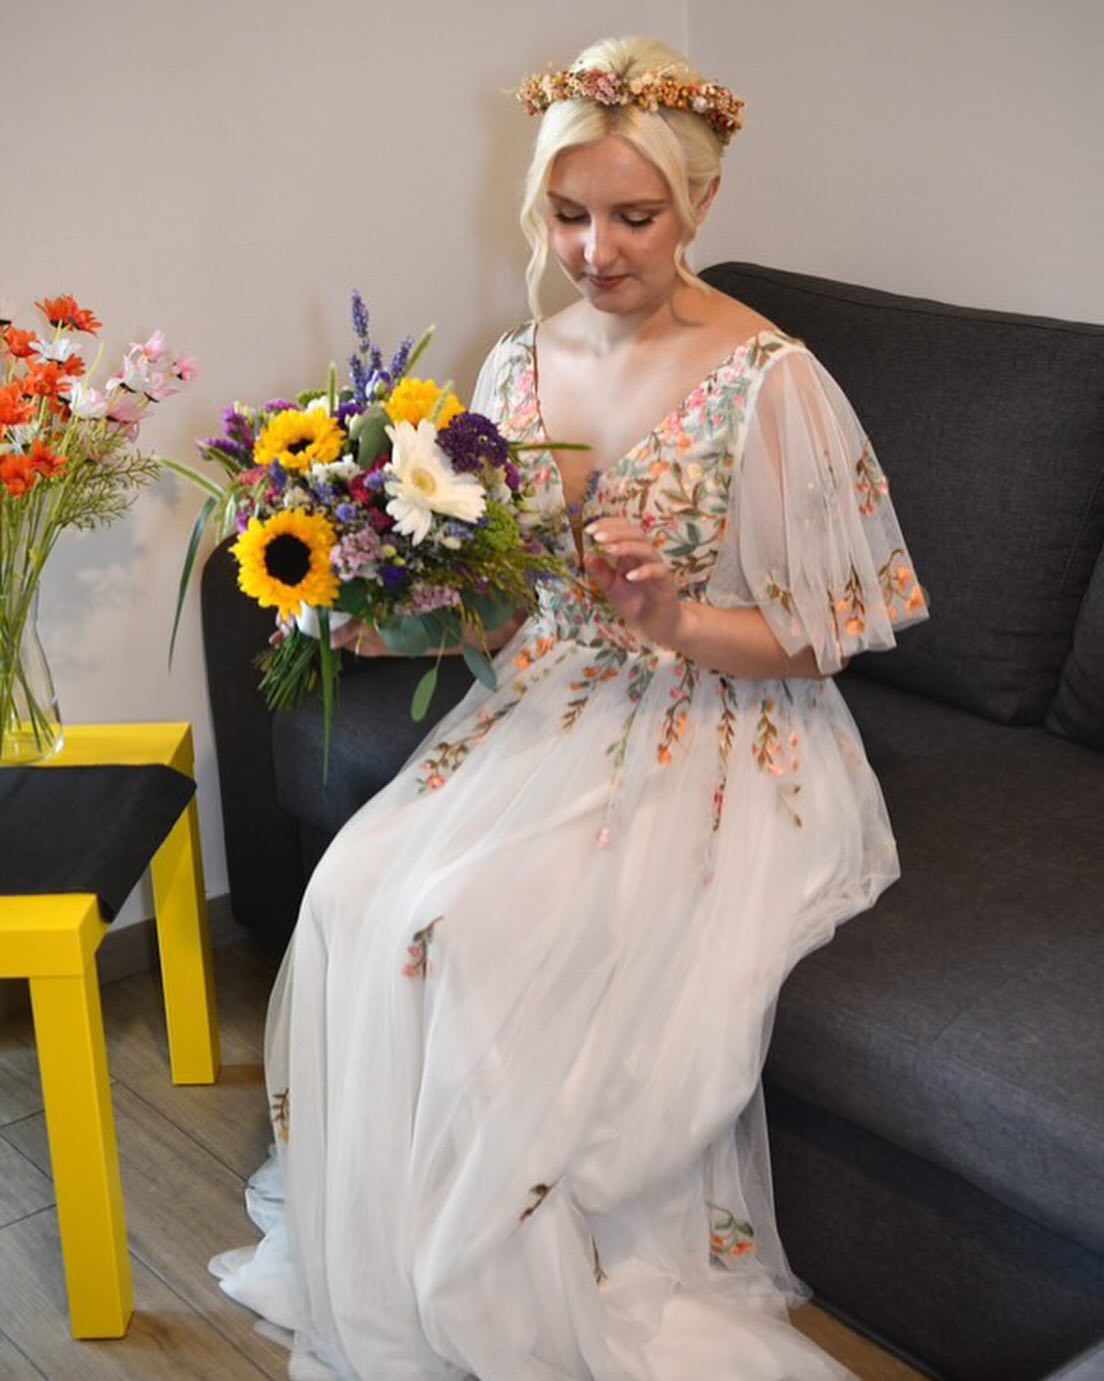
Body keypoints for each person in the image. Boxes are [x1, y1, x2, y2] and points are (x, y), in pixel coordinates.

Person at [211, 35, 929, 1381]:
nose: (597, 250)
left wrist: (676, 620)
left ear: (701, 203)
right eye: (569, 214)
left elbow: (826, 641)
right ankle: (395, 1232)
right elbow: (505, 605)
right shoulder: (517, 363)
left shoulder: (771, 379)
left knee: (470, 929)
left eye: (634, 217)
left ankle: (502, 1253)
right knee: (355, 891)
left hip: (720, 723)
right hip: (554, 695)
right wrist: (385, 622)